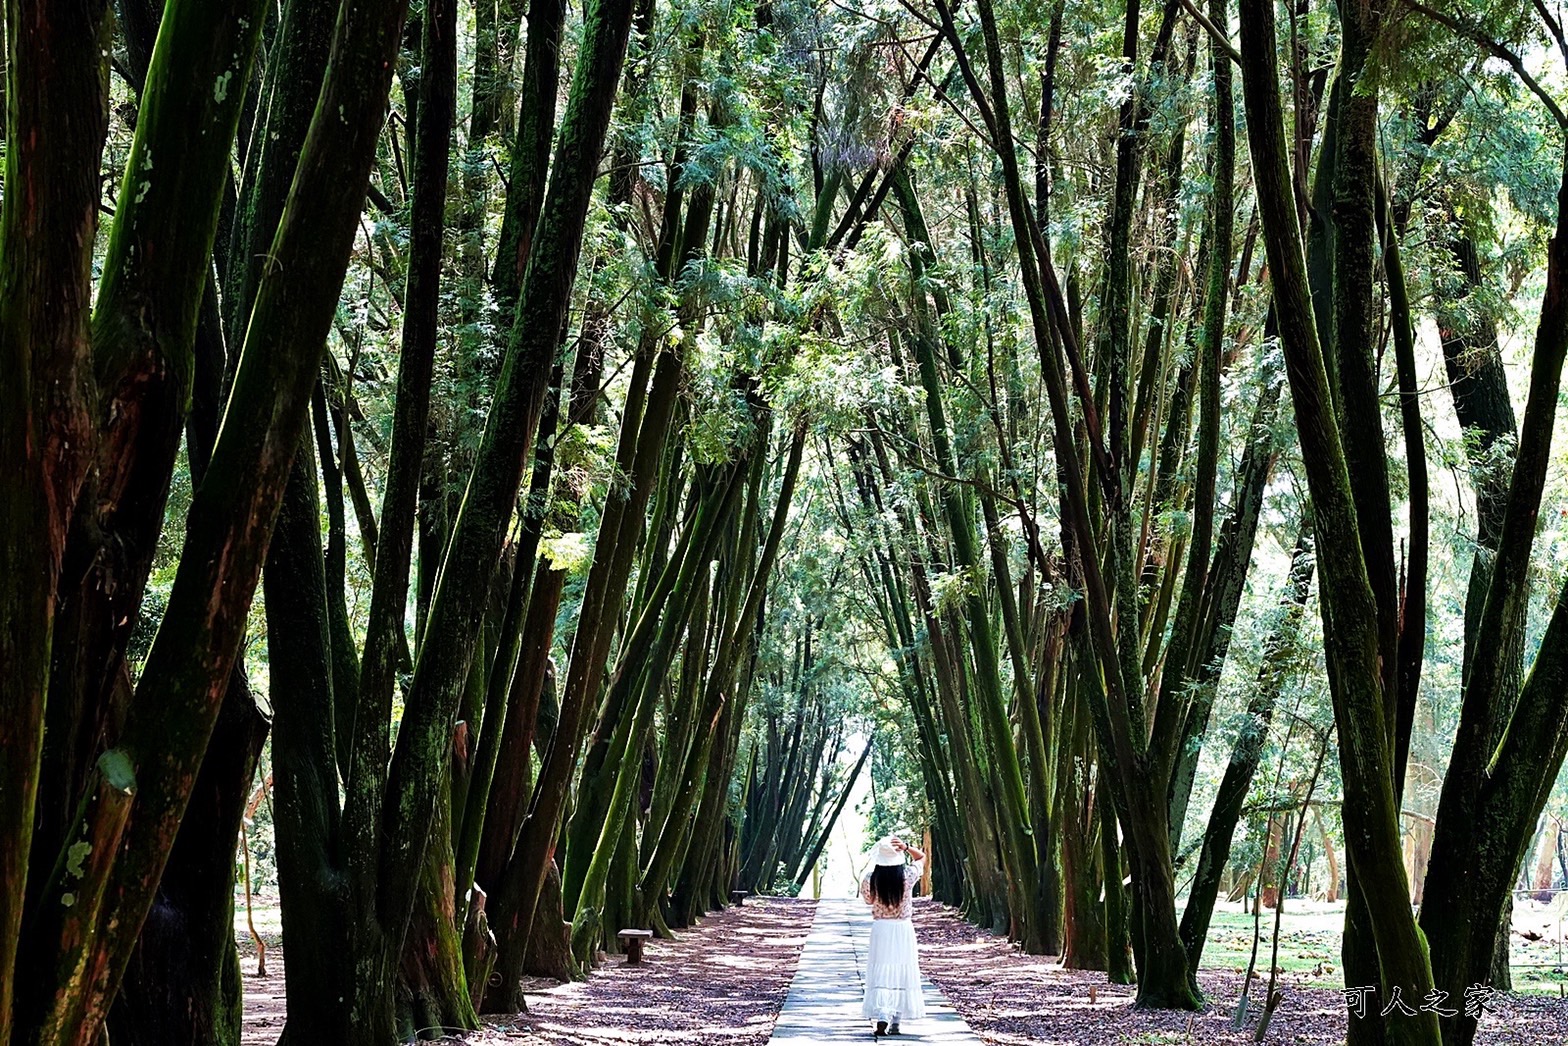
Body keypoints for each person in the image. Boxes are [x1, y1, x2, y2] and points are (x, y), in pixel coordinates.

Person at [860, 835, 927, 1036]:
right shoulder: (907, 875)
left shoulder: (870, 879)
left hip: (881, 929)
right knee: (902, 971)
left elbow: (868, 901)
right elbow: (922, 858)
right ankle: (896, 1021)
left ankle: (882, 1015)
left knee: (881, 970)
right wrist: (906, 847)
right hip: (903, 929)